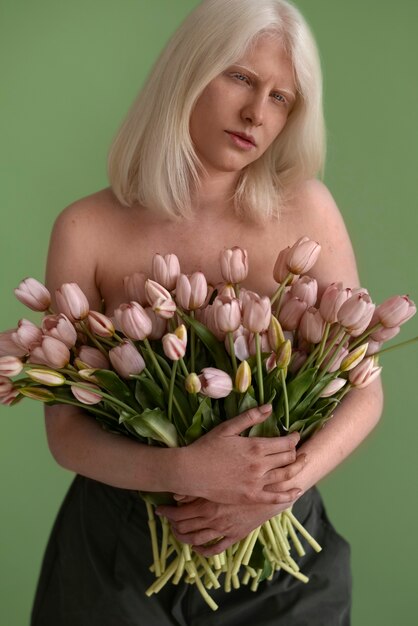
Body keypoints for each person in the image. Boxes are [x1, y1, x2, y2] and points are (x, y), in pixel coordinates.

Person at [30, 0, 383, 624]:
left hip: (284, 556)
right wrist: (182, 468)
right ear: (187, 72)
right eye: (241, 78)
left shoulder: (308, 209)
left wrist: (273, 495)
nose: (257, 113)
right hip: (119, 553)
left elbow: (365, 390)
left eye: (281, 97)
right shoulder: (87, 228)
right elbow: (66, 434)